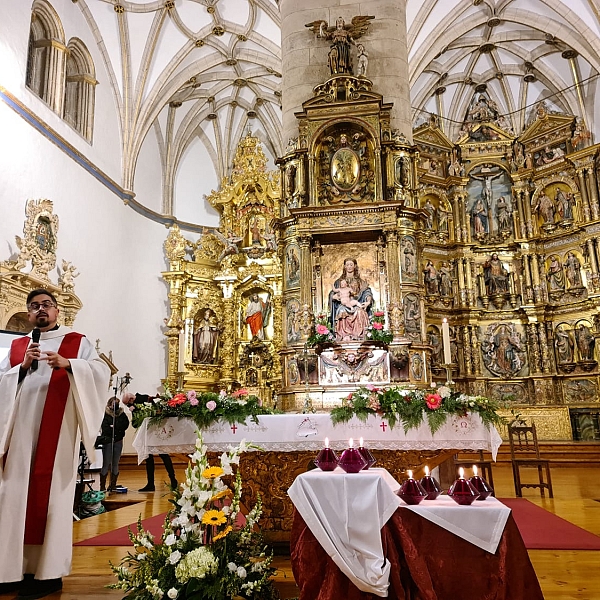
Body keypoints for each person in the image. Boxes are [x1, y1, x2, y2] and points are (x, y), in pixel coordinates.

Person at [0, 288, 109, 599]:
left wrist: (71, 364)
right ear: (28, 313)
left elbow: (102, 372)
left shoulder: (77, 342)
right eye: (34, 306)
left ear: (57, 311)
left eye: (46, 305)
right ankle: (10, 570)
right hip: (18, 435)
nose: (41, 310)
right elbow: (0, 381)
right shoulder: (18, 346)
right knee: (13, 496)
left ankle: (48, 574)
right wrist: (19, 370)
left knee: (51, 499)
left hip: (57, 433)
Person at [122, 393, 178, 492]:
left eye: (127, 404)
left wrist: (136, 410)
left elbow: (159, 413)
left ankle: (173, 480)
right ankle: (150, 484)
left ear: (131, 400)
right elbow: (135, 424)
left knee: (164, 455)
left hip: (157, 433)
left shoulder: (148, 399)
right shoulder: (135, 405)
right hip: (147, 435)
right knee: (149, 459)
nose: (127, 406)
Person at [329, 258, 373, 341]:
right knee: (342, 311)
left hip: (355, 303)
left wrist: (368, 301)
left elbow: (367, 292)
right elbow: (333, 293)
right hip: (343, 304)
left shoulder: (360, 281)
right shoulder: (338, 282)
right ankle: (344, 335)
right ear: (344, 267)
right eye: (347, 265)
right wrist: (335, 297)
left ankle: (358, 335)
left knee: (360, 312)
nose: (349, 267)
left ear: (355, 266)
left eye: (351, 265)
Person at [97, 396, 130, 492]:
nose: (115, 406)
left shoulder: (121, 414)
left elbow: (125, 425)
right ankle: (102, 486)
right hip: (108, 441)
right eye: (113, 404)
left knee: (115, 463)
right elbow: (106, 428)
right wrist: (115, 427)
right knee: (106, 463)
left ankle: (113, 485)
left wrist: (115, 426)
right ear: (109, 404)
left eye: (117, 404)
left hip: (118, 440)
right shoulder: (106, 415)